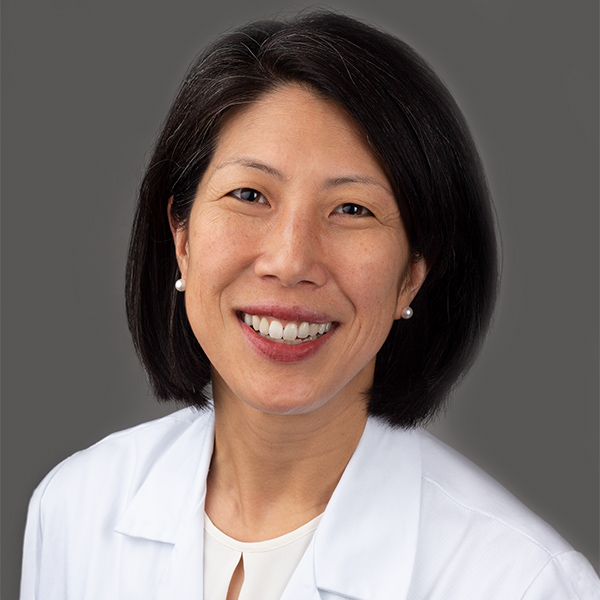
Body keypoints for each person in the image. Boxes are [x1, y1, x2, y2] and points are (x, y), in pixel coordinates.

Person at [20, 10, 599, 599]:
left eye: (352, 209)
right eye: (250, 195)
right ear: (183, 239)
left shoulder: (521, 582)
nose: (291, 260)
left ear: (412, 275)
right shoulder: (74, 510)